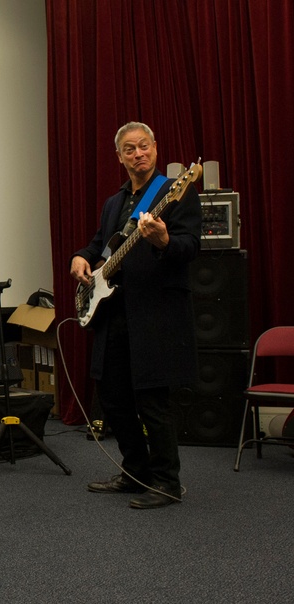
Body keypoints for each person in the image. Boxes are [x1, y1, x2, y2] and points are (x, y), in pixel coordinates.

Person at [70, 121, 201, 509]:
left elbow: (190, 247)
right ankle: (134, 473)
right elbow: (98, 245)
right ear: (120, 157)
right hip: (114, 314)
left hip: (155, 315)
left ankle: (165, 482)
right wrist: (81, 257)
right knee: (113, 397)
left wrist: (164, 240)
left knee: (153, 401)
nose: (138, 154)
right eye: (130, 149)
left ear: (156, 149)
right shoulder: (115, 202)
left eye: (144, 146)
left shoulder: (176, 192)